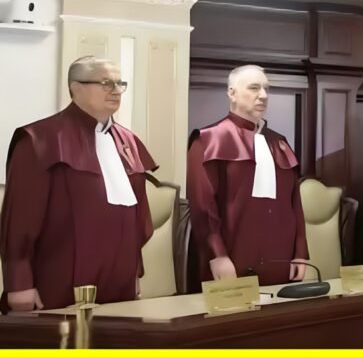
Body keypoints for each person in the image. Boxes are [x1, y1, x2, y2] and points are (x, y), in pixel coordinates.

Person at [1, 56, 156, 311]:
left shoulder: (129, 141)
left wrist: (134, 273)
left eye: (119, 83)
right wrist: (19, 283)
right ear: (76, 87)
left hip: (120, 283)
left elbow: (136, 218)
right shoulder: (39, 139)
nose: (116, 90)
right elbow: (19, 221)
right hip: (59, 280)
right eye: (105, 83)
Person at [187, 65, 307, 286]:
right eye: (254, 88)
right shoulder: (208, 139)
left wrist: (300, 252)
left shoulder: (279, 143)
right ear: (232, 93)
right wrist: (217, 254)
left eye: (266, 88)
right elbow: (203, 207)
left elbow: (295, 203)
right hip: (231, 259)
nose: (263, 95)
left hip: (280, 260)